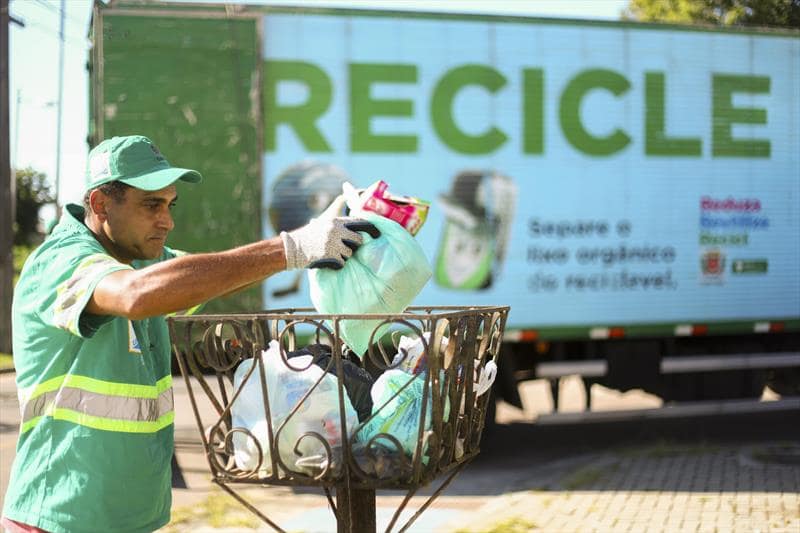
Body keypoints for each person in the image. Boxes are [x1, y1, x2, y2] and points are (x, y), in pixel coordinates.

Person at [1, 135, 378, 533]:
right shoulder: (60, 261)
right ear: (99, 203)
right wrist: (290, 249)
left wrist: (309, 241)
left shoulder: (139, 262)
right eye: (151, 205)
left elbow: (207, 277)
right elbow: (135, 295)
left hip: (133, 518)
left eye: (169, 204)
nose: (167, 220)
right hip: (60, 518)